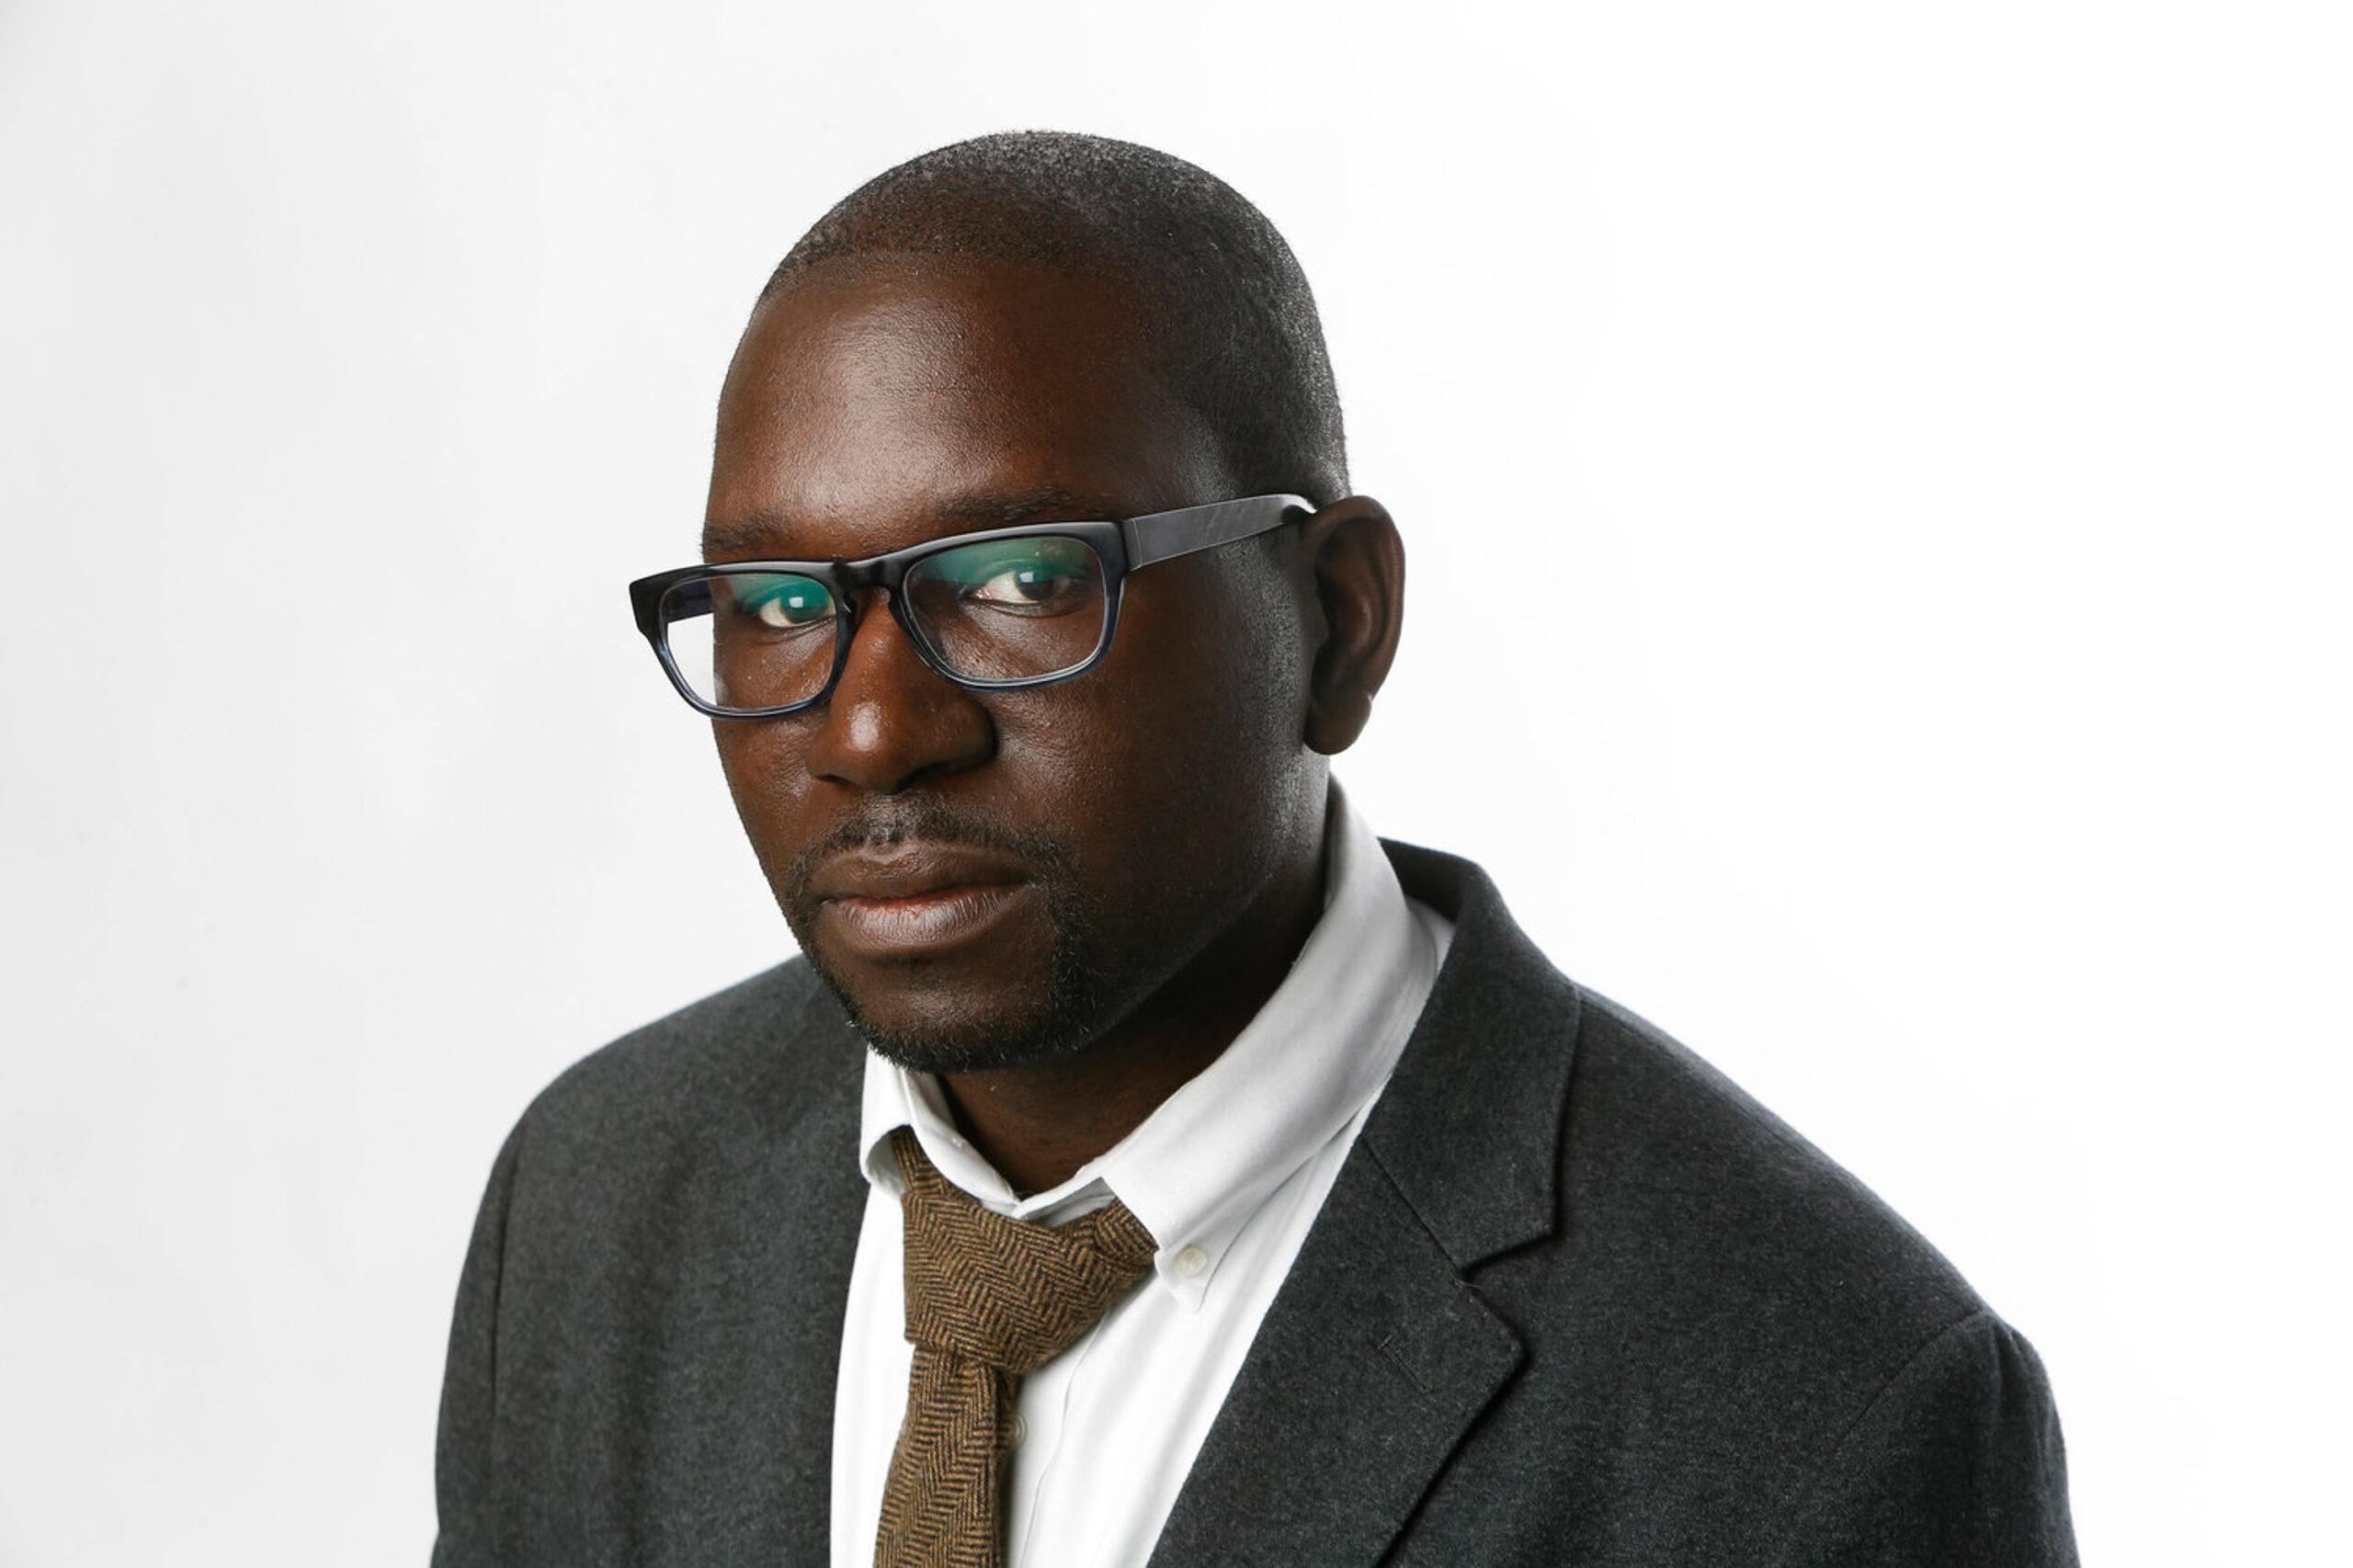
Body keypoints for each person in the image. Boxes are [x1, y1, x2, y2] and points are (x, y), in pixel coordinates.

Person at [430, 131, 2078, 1568]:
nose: (871, 732)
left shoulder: (1828, 1407)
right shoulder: (590, 1211)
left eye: (1020, 581)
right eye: (778, 609)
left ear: (1337, 626)